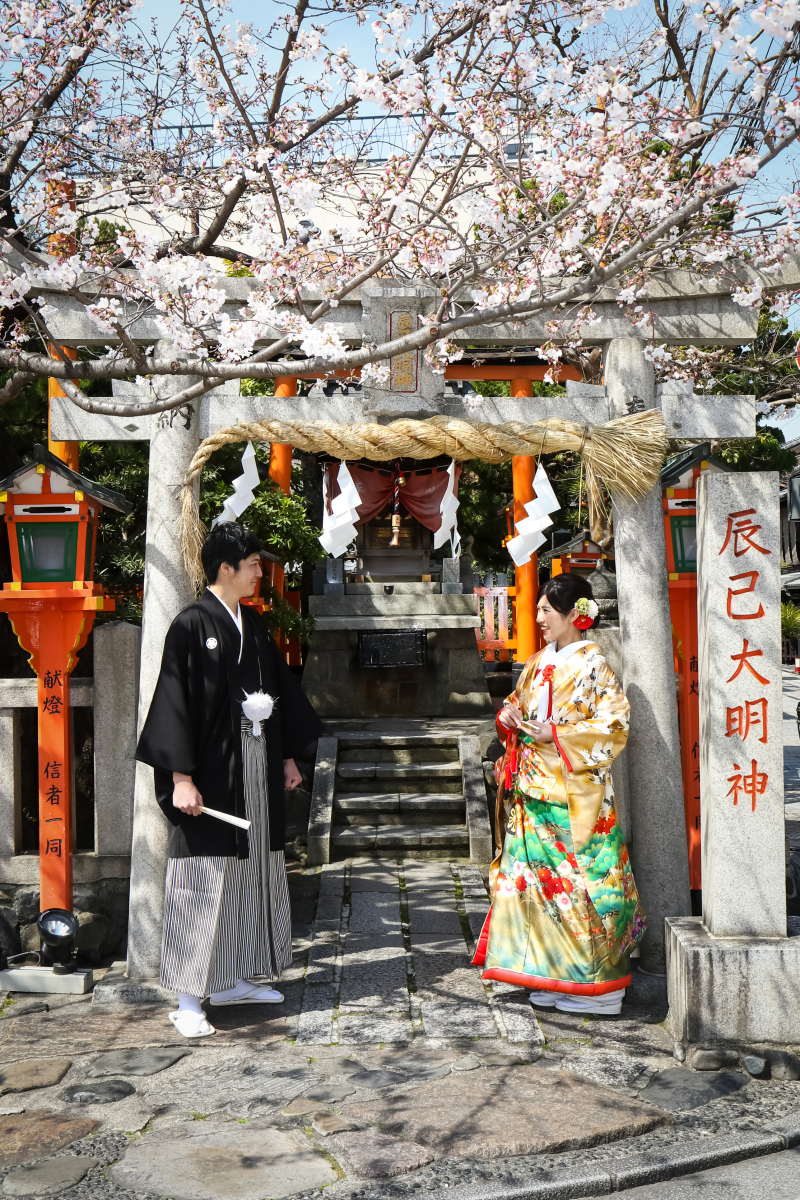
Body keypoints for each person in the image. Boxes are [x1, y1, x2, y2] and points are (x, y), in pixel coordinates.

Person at [136, 522, 324, 1037]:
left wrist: (288, 757)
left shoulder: (254, 624)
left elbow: (279, 691)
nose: (259, 572)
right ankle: (188, 1000)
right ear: (227, 567)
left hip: (257, 767)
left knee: (254, 869)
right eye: (253, 564)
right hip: (213, 773)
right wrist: (180, 777)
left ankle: (233, 979)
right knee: (204, 876)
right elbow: (175, 703)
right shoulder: (191, 624)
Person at [473, 573, 646, 1015]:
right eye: (538, 610)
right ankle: (554, 975)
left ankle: (602, 988)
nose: (538, 618)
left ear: (574, 614)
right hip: (532, 789)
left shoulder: (594, 664)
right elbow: (517, 703)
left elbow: (614, 725)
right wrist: (509, 716)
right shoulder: (536, 661)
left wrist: (557, 733)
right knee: (538, 888)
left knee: (582, 886)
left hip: (574, 795)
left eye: (546, 610)